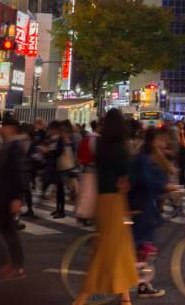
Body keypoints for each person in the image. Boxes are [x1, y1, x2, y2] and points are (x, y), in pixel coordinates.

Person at [72, 109, 139, 305]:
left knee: (118, 248)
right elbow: (126, 177)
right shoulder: (120, 147)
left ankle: (125, 297)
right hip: (115, 201)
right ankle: (83, 296)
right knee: (109, 250)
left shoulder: (100, 145)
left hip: (102, 200)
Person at [129, 127, 172, 297]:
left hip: (147, 205)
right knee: (144, 245)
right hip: (141, 206)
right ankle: (137, 282)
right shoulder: (145, 158)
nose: (164, 142)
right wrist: (164, 187)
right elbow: (147, 180)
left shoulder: (153, 156)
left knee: (145, 247)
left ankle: (142, 284)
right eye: (161, 139)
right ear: (153, 141)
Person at [0, 113, 27, 282]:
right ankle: (13, 266)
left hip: (8, 196)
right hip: (3, 196)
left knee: (3, 231)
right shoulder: (7, 145)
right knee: (4, 231)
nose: (1, 129)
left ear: (10, 128)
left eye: (4, 126)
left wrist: (17, 198)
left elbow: (19, 173)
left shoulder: (14, 147)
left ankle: (13, 266)